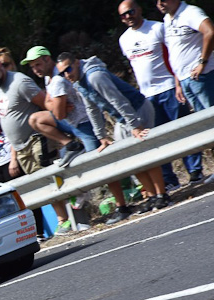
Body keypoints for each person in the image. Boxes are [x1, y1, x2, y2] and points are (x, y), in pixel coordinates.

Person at [56, 52, 170, 221]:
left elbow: (118, 100)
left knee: (144, 152)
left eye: (69, 69)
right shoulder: (79, 83)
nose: (67, 75)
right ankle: (152, 196)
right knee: (131, 158)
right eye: (62, 73)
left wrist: (135, 125)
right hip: (123, 119)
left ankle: (161, 194)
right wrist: (101, 136)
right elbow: (92, 109)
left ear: (77, 63)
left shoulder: (95, 76)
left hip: (137, 110)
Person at [0, 53, 70, 235]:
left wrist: (63, 118)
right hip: (20, 147)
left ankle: (64, 220)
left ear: (0, 66)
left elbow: (46, 104)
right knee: (40, 185)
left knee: (47, 178)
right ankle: (63, 219)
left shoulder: (19, 81)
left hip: (36, 138)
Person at [119, 0, 204, 186]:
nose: (128, 16)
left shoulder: (157, 28)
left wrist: (178, 84)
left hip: (169, 88)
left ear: (139, 10)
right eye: (123, 15)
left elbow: (174, 55)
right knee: (157, 140)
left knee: (183, 131)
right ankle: (169, 180)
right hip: (147, 97)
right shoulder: (123, 39)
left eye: (130, 11)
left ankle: (195, 172)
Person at [20, 45, 95, 167]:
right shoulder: (48, 78)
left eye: (38, 64)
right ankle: (72, 145)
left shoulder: (58, 79)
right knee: (35, 119)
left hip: (84, 123)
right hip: (70, 121)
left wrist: (56, 107)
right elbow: (47, 103)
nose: (35, 70)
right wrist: (57, 106)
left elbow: (59, 115)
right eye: (32, 67)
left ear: (47, 59)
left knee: (96, 162)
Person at [158, 0, 214, 112]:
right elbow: (175, 51)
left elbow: (210, 31)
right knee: (204, 120)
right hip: (184, 79)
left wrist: (202, 62)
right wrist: (178, 83)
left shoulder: (190, 12)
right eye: (156, 1)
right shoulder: (167, 19)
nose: (159, 3)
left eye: (163, 0)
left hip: (203, 75)